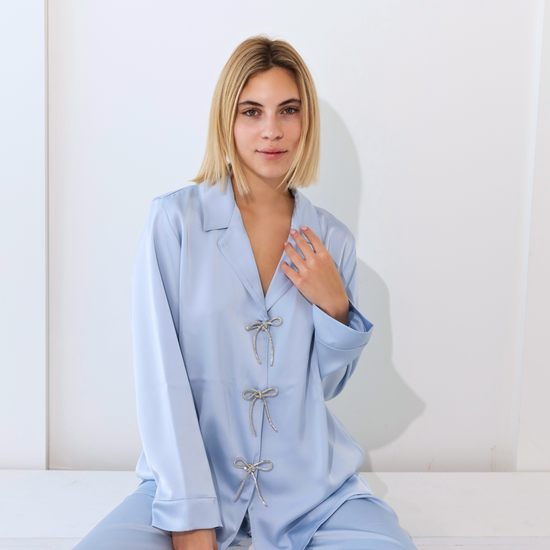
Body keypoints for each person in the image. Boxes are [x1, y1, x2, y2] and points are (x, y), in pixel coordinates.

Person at [73, 35, 418, 550]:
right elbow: (161, 379)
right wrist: (190, 514)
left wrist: (336, 308)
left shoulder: (333, 242)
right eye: (252, 111)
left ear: (306, 121)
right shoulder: (175, 222)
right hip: (188, 483)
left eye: (289, 110)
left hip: (314, 494)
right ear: (226, 120)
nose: (272, 130)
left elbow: (324, 388)